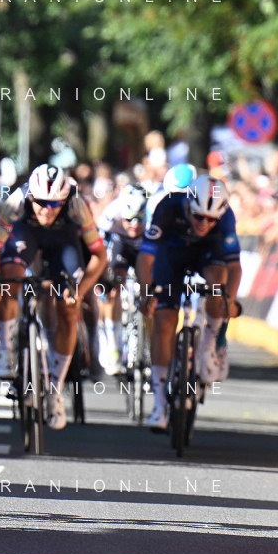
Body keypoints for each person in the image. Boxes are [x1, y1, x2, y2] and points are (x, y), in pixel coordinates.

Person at [0, 164, 107, 430]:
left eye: (54, 204)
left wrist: (79, 292)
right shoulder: (17, 202)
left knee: (68, 307)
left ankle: (55, 390)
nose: (47, 209)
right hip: (26, 234)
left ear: (64, 200)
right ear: (31, 196)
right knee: (10, 280)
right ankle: (6, 350)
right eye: (41, 203)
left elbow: (100, 256)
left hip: (63, 242)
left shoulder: (77, 205)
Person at [137, 174, 242, 430]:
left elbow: (234, 267)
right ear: (188, 204)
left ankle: (209, 346)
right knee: (164, 323)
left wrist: (228, 301)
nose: (204, 223)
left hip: (207, 253)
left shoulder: (226, 217)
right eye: (198, 217)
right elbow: (145, 258)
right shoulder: (167, 207)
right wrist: (147, 292)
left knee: (218, 284)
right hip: (171, 255)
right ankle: (159, 404)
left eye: (211, 219)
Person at [95, 184, 148, 374]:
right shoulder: (111, 212)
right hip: (120, 242)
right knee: (113, 287)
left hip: (144, 242)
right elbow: (99, 248)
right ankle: (114, 347)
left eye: (140, 218)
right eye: (129, 219)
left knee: (150, 285)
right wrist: (103, 278)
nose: (135, 224)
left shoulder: (153, 214)